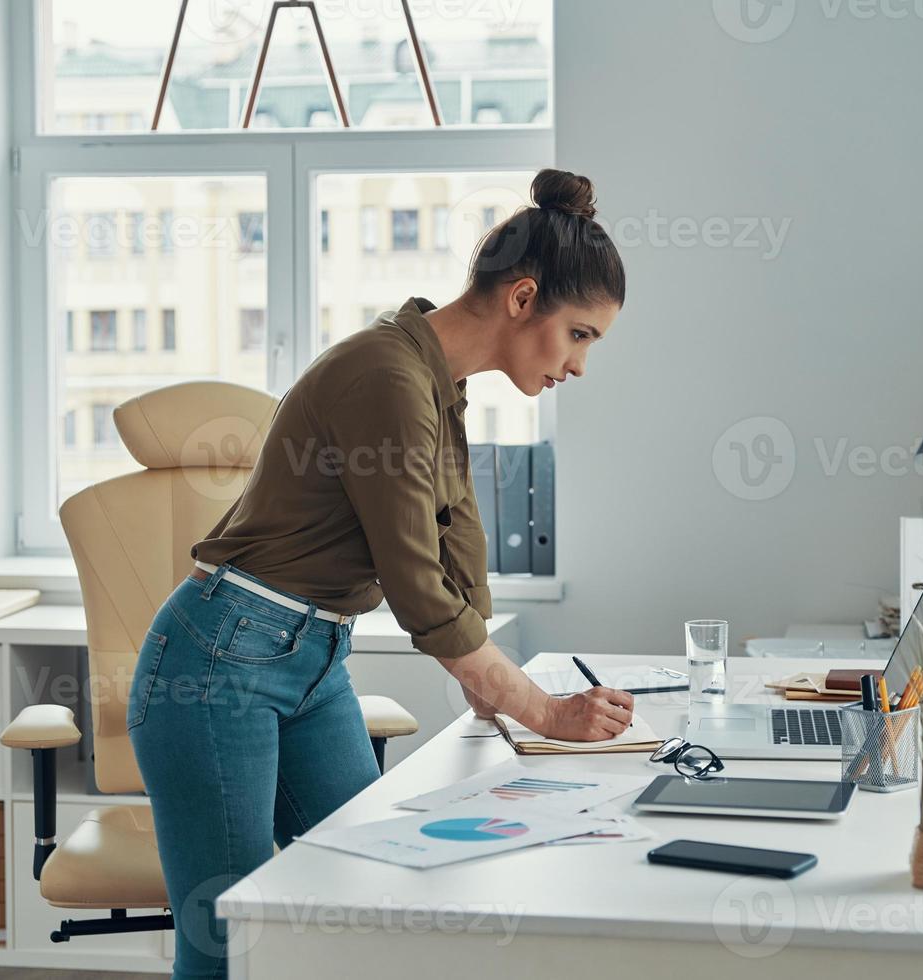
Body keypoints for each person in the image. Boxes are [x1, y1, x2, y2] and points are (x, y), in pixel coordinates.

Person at [127, 169, 631, 978]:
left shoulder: (436, 378)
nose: (579, 364)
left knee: (375, 894)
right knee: (232, 934)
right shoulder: (388, 377)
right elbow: (415, 587)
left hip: (310, 662)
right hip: (221, 659)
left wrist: (487, 682)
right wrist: (542, 711)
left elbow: (455, 534)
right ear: (523, 297)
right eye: (580, 335)